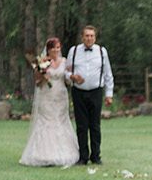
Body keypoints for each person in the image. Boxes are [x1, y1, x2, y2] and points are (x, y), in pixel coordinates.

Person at [19, 36, 80, 167]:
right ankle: (43, 154)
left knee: (61, 120)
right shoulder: (42, 62)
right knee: (46, 121)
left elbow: (68, 80)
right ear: (48, 50)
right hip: (46, 95)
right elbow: (37, 82)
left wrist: (72, 78)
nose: (56, 50)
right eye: (53, 48)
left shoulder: (64, 62)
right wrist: (42, 75)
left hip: (60, 96)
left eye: (58, 48)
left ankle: (65, 152)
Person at [65, 25, 113, 165]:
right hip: (78, 92)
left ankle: (96, 156)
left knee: (95, 125)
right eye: (87, 35)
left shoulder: (101, 51)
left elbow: (108, 74)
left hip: (96, 92)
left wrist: (109, 94)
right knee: (81, 126)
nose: (89, 38)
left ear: (95, 37)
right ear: (82, 37)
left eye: (92, 36)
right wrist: (72, 77)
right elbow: (66, 72)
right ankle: (83, 156)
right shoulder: (73, 51)